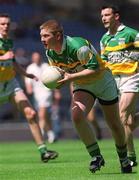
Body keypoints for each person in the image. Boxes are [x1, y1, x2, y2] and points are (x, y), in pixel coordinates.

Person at [39, 19, 132, 173]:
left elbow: (94, 69)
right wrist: (57, 82)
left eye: (46, 36)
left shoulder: (77, 46)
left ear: (58, 36)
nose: (42, 40)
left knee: (114, 124)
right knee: (76, 116)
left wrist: (69, 78)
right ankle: (96, 156)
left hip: (102, 81)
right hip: (82, 85)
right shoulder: (50, 52)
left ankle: (123, 158)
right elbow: (59, 73)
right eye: (41, 36)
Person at [0, 13, 58, 163]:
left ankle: (44, 152)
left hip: (11, 84)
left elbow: (12, 63)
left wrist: (27, 74)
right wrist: (2, 57)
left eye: (7, 23)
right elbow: (6, 58)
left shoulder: (8, 41)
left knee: (31, 113)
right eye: (2, 24)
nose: (5, 26)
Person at [100, 5, 139, 167]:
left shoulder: (131, 34)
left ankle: (125, 158)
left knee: (121, 115)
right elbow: (104, 63)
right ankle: (131, 156)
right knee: (129, 122)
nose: (103, 18)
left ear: (116, 16)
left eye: (107, 15)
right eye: (102, 15)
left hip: (132, 77)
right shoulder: (104, 39)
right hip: (114, 81)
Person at [25, 51, 58, 143]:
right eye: (34, 57)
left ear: (40, 57)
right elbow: (28, 81)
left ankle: (41, 134)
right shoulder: (30, 68)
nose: (36, 59)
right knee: (45, 116)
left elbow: (54, 79)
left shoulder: (46, 66)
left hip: (47, 93)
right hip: (36, 95)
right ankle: (51, 133)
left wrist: (56, 92)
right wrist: (29, 89)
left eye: (38, 57)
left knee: (41, 114)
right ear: (32, 58)